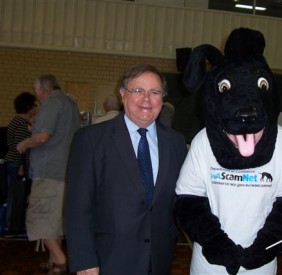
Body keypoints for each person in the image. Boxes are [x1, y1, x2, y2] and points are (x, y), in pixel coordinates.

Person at [65, 64, 187, 274]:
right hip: (109, 259)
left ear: (162, 99)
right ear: (122, 94)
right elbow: (77, 206)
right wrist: (84, 260)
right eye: (138, 90)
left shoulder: (176, 142)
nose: (146, 99)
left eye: (154, 92)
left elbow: (182, 198)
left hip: (158, 259)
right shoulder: (91, 140)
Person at [16, 75, 81, 274]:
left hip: (48, 171)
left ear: (42, 90)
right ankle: (54, 259)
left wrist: (24, 143)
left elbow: (42, 137)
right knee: (54, 220)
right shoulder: (70, 104)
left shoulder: (51, 103)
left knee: (40, 217)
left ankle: (60, 261)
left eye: (36, 92)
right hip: (66, 171)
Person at [4, 92, 37, 235]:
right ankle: (14, 228)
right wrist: (21, 167)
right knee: (17, 197)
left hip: (14, 163)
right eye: (34, 105)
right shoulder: (22, 124)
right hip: (17, 165)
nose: (36, 108)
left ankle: (13, 226)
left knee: (16, 196)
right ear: (28, 106)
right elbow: (20, 147)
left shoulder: (16, 121)